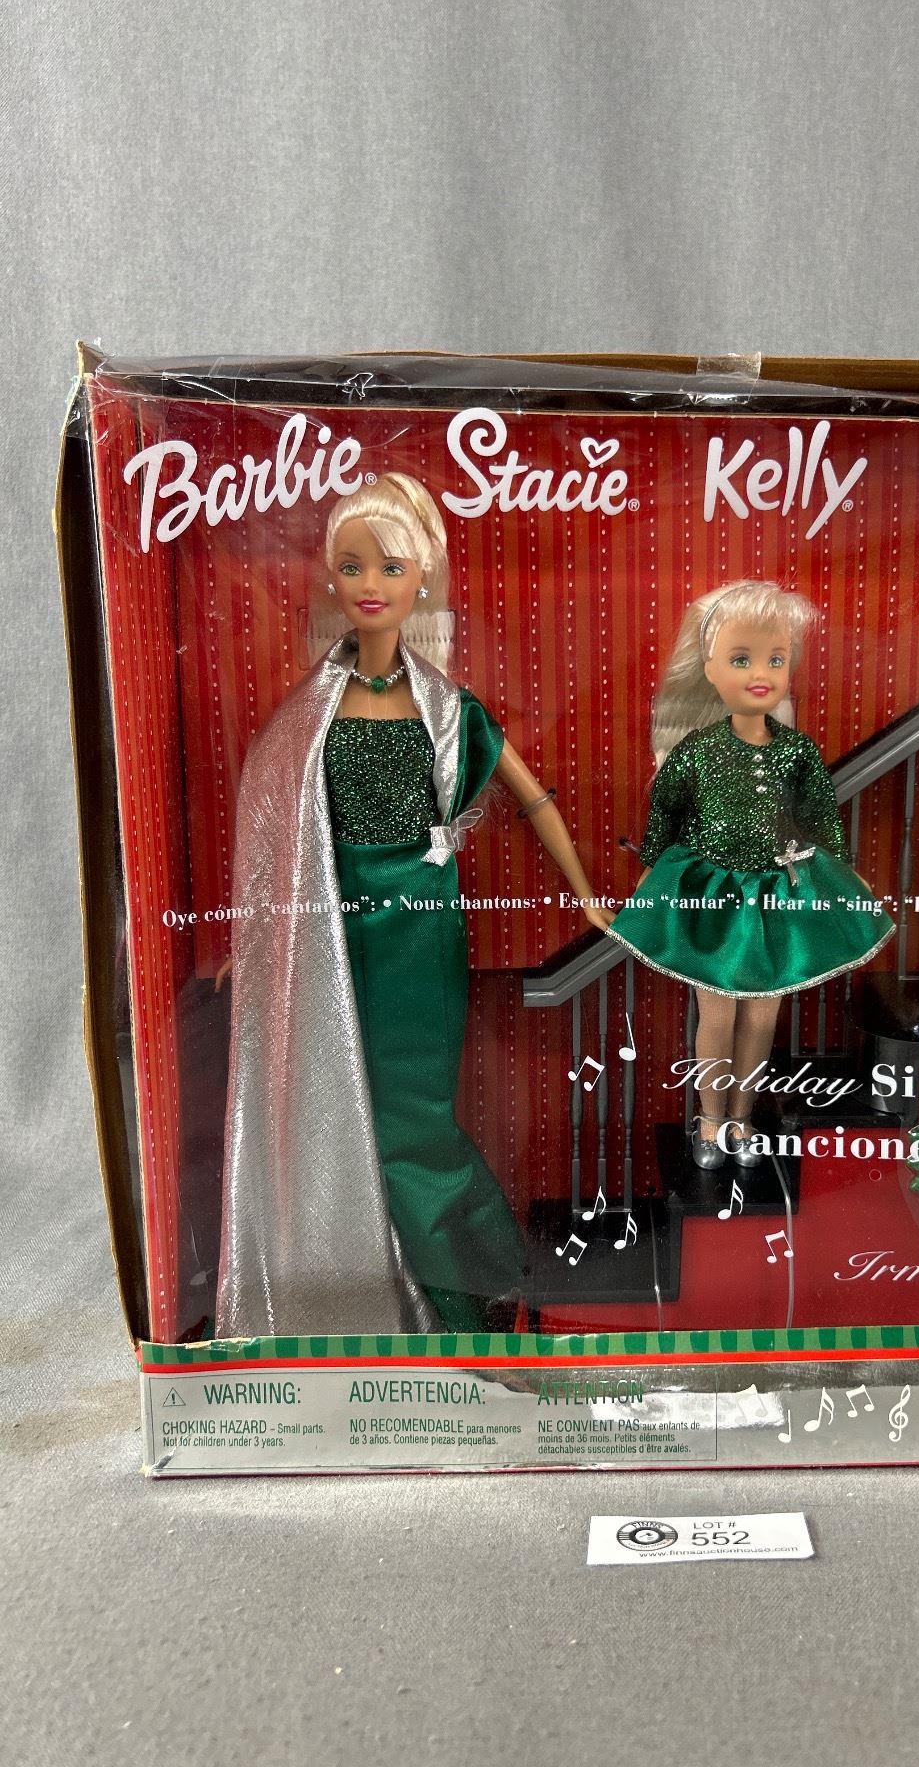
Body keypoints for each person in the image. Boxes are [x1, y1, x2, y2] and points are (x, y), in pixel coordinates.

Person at [215, 473, 610, 1337]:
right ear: (329, 575)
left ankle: (472, 1291)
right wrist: (253, 941)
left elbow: (533, 798)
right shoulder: (306, 716)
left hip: (417, 935)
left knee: (413, 1121)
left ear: (421, 577)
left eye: (390, 567)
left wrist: (589, 897)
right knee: (325, 1109)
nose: (370, 585)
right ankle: (364, 1291)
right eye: (352, 565)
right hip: (325, 930)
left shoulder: (448, 710)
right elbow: (277, 830)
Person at [609, 580, 894, 1168]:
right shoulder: (695, 751)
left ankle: (741, 1115)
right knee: (716, 1012)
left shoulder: (796, 752)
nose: (760, 673)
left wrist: (843, 869)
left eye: (775, 660)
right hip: (713, 895)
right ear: (709, 669)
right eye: (741, 660)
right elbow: (666, 812)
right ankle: (709, 1118)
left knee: (763, 1013)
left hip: (776, 892)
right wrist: (651, 868)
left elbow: (819, 816)